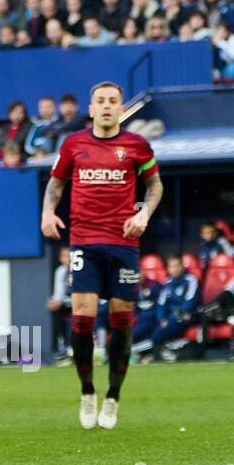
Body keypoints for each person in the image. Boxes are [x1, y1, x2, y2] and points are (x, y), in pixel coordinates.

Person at [41, 81, 163, 430]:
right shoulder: (74, 144)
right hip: (85, 241)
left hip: (123, 244)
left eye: (113, 101)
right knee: (82, 316)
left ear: (121, 108)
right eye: (100, 101)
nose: (107, 106)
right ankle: (87, 390)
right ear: (91, 109)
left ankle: (113, 396)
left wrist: (143, 214)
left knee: (121, 319)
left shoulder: (136, 145)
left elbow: (155, 185)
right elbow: (56, 183)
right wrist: (48, 212)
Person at [47, 246, 72, 360]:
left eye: (69, 256)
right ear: (60, 258)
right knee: (55, 311)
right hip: (65, 304)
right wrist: (54, 301)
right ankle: (60, 346)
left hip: (80, 303)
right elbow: (58, 292)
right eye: (65, 256)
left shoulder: (78, 270)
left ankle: (70, 345)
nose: (67, 259)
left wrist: (61, 301)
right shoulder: (60, 271)